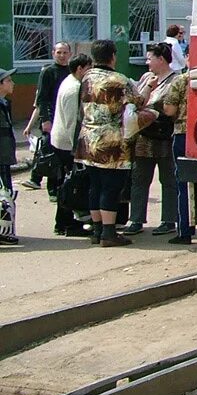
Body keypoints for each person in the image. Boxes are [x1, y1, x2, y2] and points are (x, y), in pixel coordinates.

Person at [76, 39, 146, 247]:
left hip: (88, 139)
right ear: (113, 56)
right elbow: (138, 101)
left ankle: (97, 231)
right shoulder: (119, 80)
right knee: (111, 188)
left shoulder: (87, 76)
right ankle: (108, 233)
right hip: (112, 141)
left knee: (95, 186)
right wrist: (148, 87)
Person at [125, 42, 179, 236]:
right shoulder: (147, 77)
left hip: (165, 137)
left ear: (161, 59)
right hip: (144, 138)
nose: (147, 62)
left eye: (150, 58)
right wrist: (147, 88)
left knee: (168, 179)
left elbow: (170, 108)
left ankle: (169, 219)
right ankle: (136, 219)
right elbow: (136, 102)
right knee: (139, 179)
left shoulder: (176, 80)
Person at [49, 54, 93, 236]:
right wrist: (77, 149)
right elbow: (71, 122)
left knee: (67, 184)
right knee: (70, 185)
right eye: (89, 68)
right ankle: (65, 224)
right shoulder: (74, 88)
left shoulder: (70, 81)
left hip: (63, 142)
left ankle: (65, 222)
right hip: (66, 144)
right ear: (80, 69)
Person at [20, 41, 72, 191]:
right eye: (59, 52)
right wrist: (45, 120)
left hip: (65, 116)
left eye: (64, 52)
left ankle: (55, 185)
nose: (62, 56)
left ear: (70, 54)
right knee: (47, 149)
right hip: (51, 117)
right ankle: (37, 179)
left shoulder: (71, 71)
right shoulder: (48, 71)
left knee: (59, 151)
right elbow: (42, 99)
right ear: (53, 53)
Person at [160, 68, 194, 244]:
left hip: (184, 133)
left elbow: (170, 109)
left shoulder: (181, 80)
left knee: (183, 183)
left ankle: (185, 231)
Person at [0, 69, 20, 245]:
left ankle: (4, 230)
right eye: (8, 80)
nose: (12, 83)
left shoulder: (5, 103)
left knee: (6, 193)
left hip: (5, 156)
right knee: (3, 195)